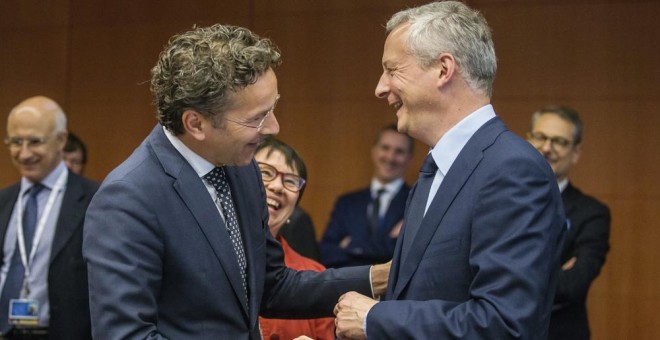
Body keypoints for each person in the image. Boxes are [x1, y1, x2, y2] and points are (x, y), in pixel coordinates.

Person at [82, 24, 388, 339]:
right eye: (256, 117)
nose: (274, 127)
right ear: (196, 123)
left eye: (273, 109)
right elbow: (128, 335)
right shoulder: (128, 200)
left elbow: (272, 286)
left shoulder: (242, 168)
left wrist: (380, 276)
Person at [333, 2, 565, 339]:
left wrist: (376, 319)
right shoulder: (437, 168)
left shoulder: (512, 170)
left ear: (443, 69)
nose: (380, 88)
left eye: (392, 69)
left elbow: (504, 324)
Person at [0, 96, 98, 339]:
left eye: (35, 142)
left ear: (61, 140)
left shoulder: (95, 201)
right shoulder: (3, 201)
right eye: (15, 142)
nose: (23, 154)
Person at [527, 105, 611, 340]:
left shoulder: (592, 213)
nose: (547, 148)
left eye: (559, 142)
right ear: (528, 140)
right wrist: (553, 273)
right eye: (540, 137)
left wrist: (509, 280)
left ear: (575, 152)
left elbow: (573, 284)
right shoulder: (500, 201)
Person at [255, 138, 334, 340]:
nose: (277, 187)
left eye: (290, 181)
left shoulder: (314, 276)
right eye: (266, 172)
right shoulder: (205, 255)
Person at [320, 124, 413, 268]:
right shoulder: (347, 203)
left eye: (399, 151)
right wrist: (388, 244)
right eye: (385, 148)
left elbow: (407, 255)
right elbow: (327, 252)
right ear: (374, 151)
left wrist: (351, 245)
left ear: (409, 158)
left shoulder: (415, 202)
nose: (390, 157)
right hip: (348, 287)